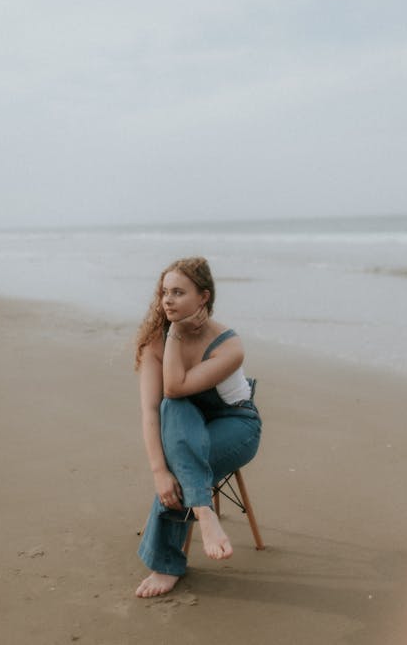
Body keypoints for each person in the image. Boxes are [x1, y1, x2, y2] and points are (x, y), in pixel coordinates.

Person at [134, 256, 262, 598]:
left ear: (203, 297)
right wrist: (158, 471)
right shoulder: (155, 342)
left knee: (181, 452)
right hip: (182, 425)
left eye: (178, 292)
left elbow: (175, 385)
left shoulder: (229, 344)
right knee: (171, 409)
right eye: (164, 292)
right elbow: (152, 410)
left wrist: (176, 332)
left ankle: (165, 564)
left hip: (236, 424)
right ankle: (203, 511)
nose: (168, 300)